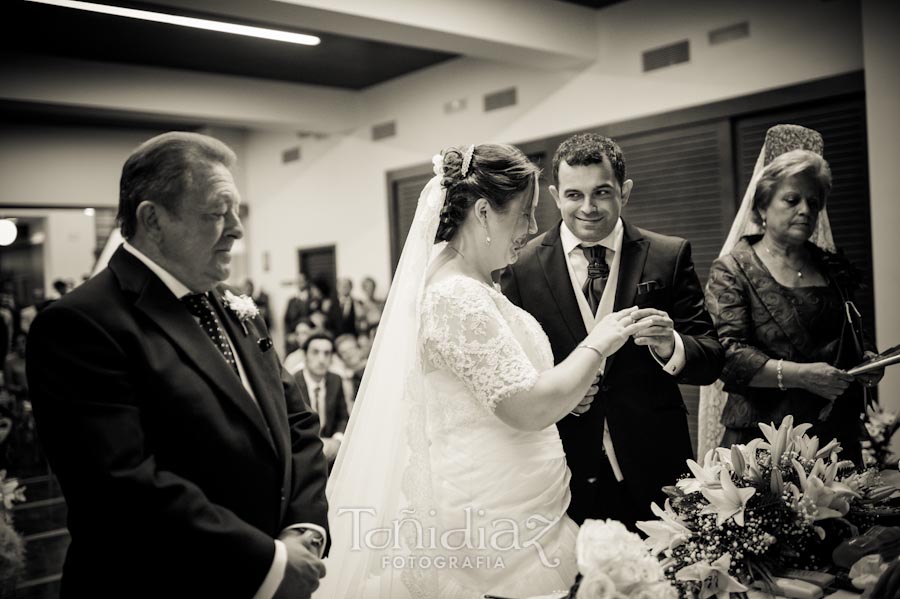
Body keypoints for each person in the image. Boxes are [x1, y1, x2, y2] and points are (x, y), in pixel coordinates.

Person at [316, 144, 649, 598]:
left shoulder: (469, 280)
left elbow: (498, 389)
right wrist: (598, 342)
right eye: (525, 214)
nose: (532, 228)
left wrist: (569, 395)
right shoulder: (457, 295)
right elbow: (525, 407)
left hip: (516, 503)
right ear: (483, 211)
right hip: (490, 522)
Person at [26, 132, 329, 598]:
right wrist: (268, 562)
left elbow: (297, 422)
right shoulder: (81, 324)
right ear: (153, 220)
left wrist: (304, 530)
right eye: (215, 213)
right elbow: (122, 486)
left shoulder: (231, 304)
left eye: (236, 212)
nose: (236, 229)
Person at [500, 133, 724, 529]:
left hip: (656, 461)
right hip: (565, 466)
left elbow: (710, 359)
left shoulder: (668, 255)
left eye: (601, 192)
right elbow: (516, 372)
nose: (587, 208)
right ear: (555, 195)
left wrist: (671, 345)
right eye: (573, 195)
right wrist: (560, 396)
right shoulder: (522, 267)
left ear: (625, 191)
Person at [703, 125, 883, 465]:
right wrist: (803, 376)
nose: (805, 210)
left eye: (813, 203)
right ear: (762, 207)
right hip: (762, 440)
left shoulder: (832, 267)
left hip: (835, 437)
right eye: (792, 199)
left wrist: (870, 359)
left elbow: (855, 334)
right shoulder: (733, 269)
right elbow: (730, 356)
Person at [293, 333, 349, 469]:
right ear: (305, 356)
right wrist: (314, 444)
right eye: (315, 352)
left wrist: (337, 440)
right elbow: (289, 424)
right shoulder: (292, 383)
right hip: (302, 452)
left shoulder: (335, 380)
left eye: (327, 353)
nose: (321, 359)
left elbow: (343, 417)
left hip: (331, 452)